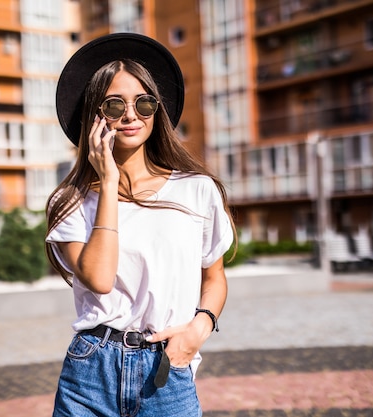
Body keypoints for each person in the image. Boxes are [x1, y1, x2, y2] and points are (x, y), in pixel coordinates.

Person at [45, 33, 236, 417]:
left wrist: (198, 330)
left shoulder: (197, 190)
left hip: (167, 370)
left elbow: (213, 277)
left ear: (156, 111)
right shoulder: (71, 201)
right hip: (90, 373)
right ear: (94, 116)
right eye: (114, 105)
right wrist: (110, 181)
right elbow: (100, 279)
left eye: (144, 102)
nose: (131, 115)